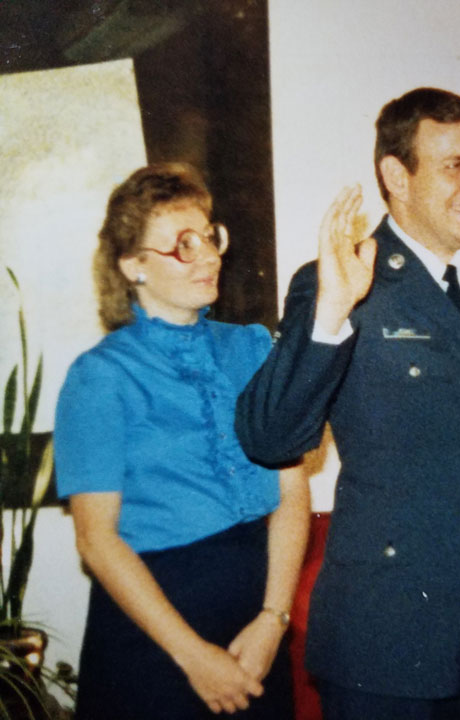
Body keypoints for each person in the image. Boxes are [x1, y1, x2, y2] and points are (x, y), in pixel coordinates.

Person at [234, 87, 460, 720]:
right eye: (456, 165)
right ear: (396, 176)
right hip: (391, 644)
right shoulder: (343, 280)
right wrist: (331, 312)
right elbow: (269, 439)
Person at [55, 163, 309, 719]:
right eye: (182, 245)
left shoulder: (254, 348)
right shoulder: (99, 376)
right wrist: (192, 656)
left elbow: (291, 496)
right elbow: (97, 542)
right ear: (132, 266)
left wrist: (273, 619)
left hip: (256, 630)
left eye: (209, 237)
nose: (208, 256)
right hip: (154, 642)